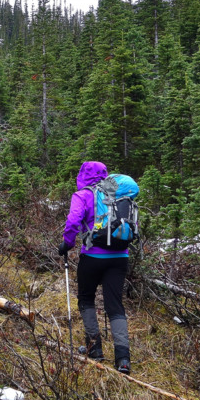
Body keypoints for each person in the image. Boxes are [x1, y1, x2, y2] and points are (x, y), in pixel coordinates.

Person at [58, 160, 131, 374]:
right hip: (120, 256)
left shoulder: (83, 194)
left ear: (83, 175)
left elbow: (73, 221)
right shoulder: (119, 193)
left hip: (92, 256)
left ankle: (94, 349)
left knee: (87, 299)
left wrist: (67, 243)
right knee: (115, 305)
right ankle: (123, 359)